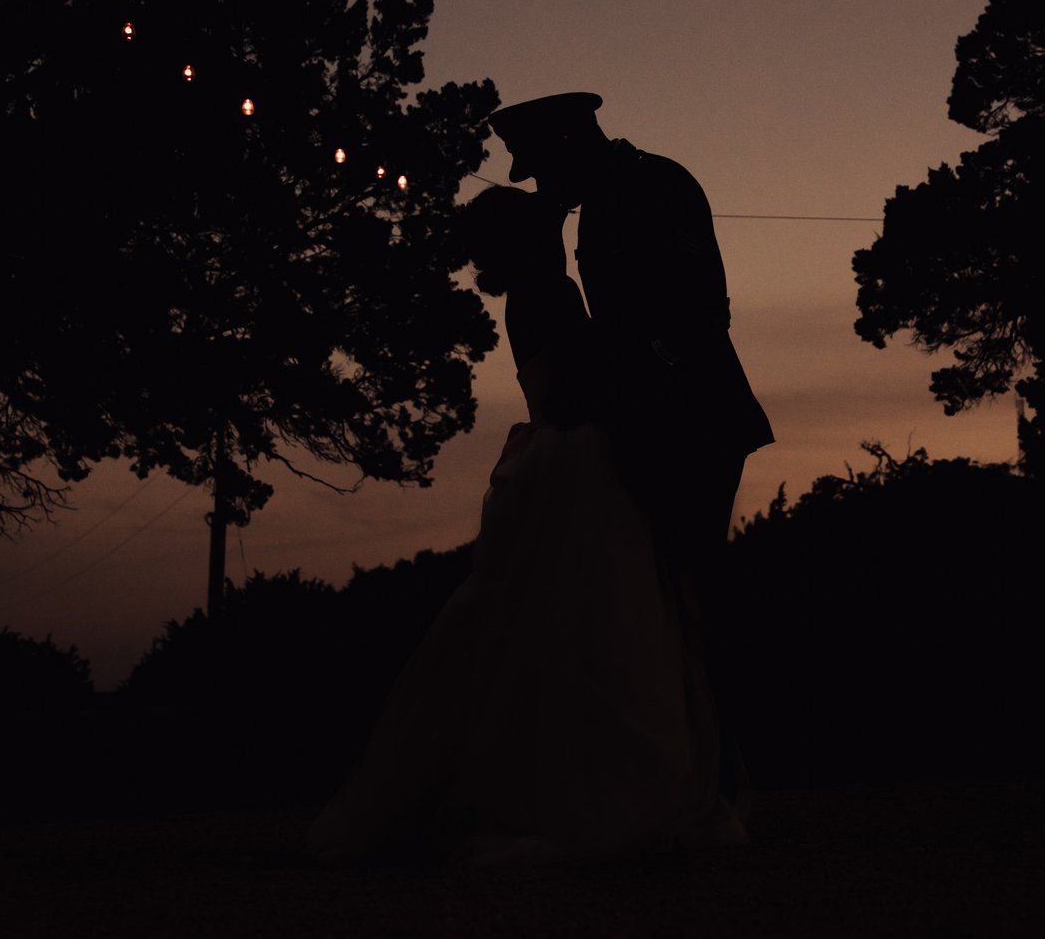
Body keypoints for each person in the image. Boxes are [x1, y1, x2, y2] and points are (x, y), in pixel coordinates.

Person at [304, 184, 746, 868]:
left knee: (565, 623)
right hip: (579, 460)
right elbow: (574, 390)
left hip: (565, 459)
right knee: (593, 623)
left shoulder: (538, 293)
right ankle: (588, 794)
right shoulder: (549, 295)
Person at [483, 91, 774, 813]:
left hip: (693, 419)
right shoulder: (619, 194)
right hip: (658, 419)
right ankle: (708, 771)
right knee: (675, 592)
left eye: (542, 169)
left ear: (567, 143)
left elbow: (697, 310)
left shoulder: (651, 187)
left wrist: (638, 378)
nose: (543, 188)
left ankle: (721, 777)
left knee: (697, 589)